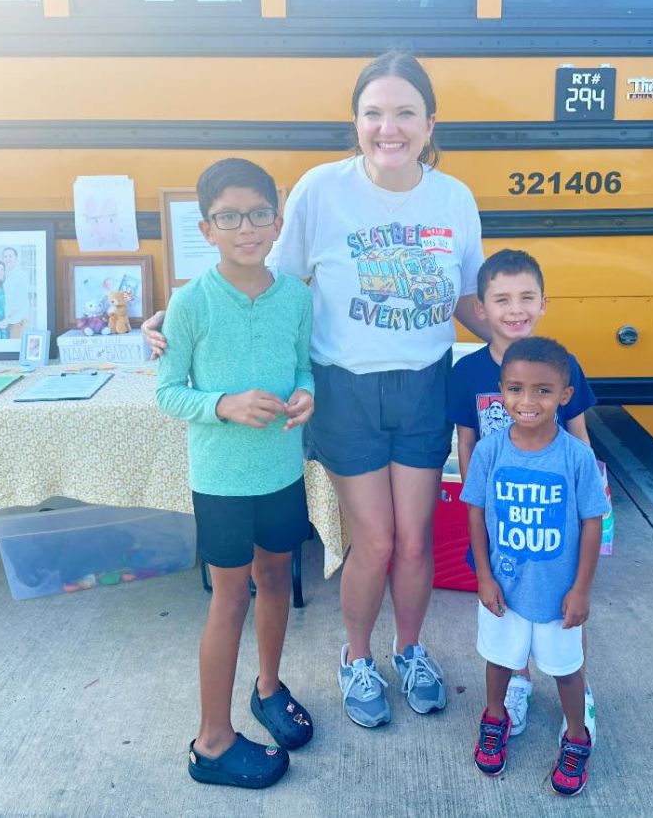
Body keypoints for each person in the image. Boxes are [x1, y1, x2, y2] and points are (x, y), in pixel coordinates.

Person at [143, 51, 488, 728]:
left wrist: (517, 338)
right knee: (379, 541)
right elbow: (264, 276)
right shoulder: (320, 191)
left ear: (430, 123)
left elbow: (469, 297)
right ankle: (358, 657)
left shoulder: (455, 198)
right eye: (374, 114)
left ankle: (410, 650)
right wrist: (170, 315)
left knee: (417, 540)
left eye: (404, 113)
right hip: (345, 390)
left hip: (423, 385)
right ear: (356, 122)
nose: (389, 128)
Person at [156, 157, 315, 790]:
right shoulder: (190, 302)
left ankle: (268, 689)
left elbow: (303, 367)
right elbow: (169, 393)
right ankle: (212, 741)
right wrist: (224, 405)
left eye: (257, 214)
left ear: (277, 222)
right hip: (221, 478)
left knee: (276, 578)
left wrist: (307, 396)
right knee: (230, 597)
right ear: (206, 228)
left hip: (281, 468)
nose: (245, 228)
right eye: (229, 217)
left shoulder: (296, 296)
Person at [446, 249, 597, 740]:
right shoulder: (467, 372)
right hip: (503, 516)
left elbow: (580, 436)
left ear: (543, 303)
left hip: (556, 512)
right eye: (503, 298)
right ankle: (518, 682)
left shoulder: (563, 363)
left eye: (527, 297)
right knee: (506, 608)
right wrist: (481, 511)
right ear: (482, 307)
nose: (516, 309)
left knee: (561, 605)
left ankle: (577, 687)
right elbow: (468, 442)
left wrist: (595, 504)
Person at [461, 337, 609, 796]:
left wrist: (581, 588)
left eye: (543, 391)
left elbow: (591, 524)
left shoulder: (576, 457)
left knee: (566, 669)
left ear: (565, 395)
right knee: (500, 659)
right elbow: (476, 513)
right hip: (503, 587)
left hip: (557, 591)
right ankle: (494, 716)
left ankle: (576, 736)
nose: (527, 402)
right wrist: (483, 575)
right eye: (516, 389)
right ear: (500, 391)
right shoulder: (489, 452)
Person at [1, 246, 30, 339]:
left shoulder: (21, 275)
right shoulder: (1, 275)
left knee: (15, 346)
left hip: (17, 319)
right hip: (3, 319)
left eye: (10, 256)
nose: (7, 259)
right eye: (5, 257)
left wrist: (8, 315)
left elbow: (21, 299)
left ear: (16, 258)